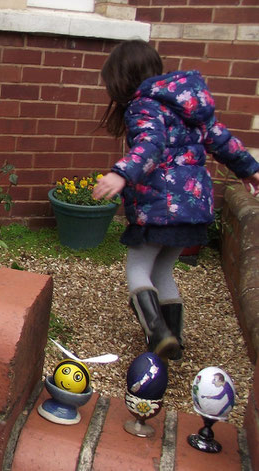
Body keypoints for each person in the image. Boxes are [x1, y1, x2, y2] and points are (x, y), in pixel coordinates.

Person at [92, 40, 259, 361]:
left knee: (138, 269)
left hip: (159, 209)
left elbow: (151, 145)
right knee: (164, 270)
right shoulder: (188, 102)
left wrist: (122, 174)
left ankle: (158, 333)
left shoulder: (144, 105)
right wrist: (249, 170)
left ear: (122, 78)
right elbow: (221, 139)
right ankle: (174, 341)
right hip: (194, 210)